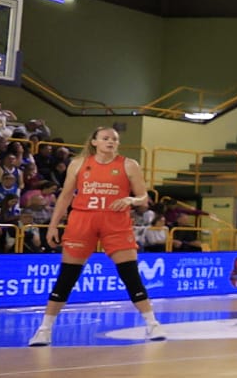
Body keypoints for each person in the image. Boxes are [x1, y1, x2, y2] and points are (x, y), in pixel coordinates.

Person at [27, 125, 166, 346]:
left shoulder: (129, 165)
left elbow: (143, 197)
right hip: (83, 220)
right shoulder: (79, 164)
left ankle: (152, 324)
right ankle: (44, 329)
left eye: (114, 139)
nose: (110, 141)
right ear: (94, 142)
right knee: (67, 277)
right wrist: (53, 226)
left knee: (130, 274)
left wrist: (131, 200)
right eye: (105, 138)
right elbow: (64, 197)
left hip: (115, 221)